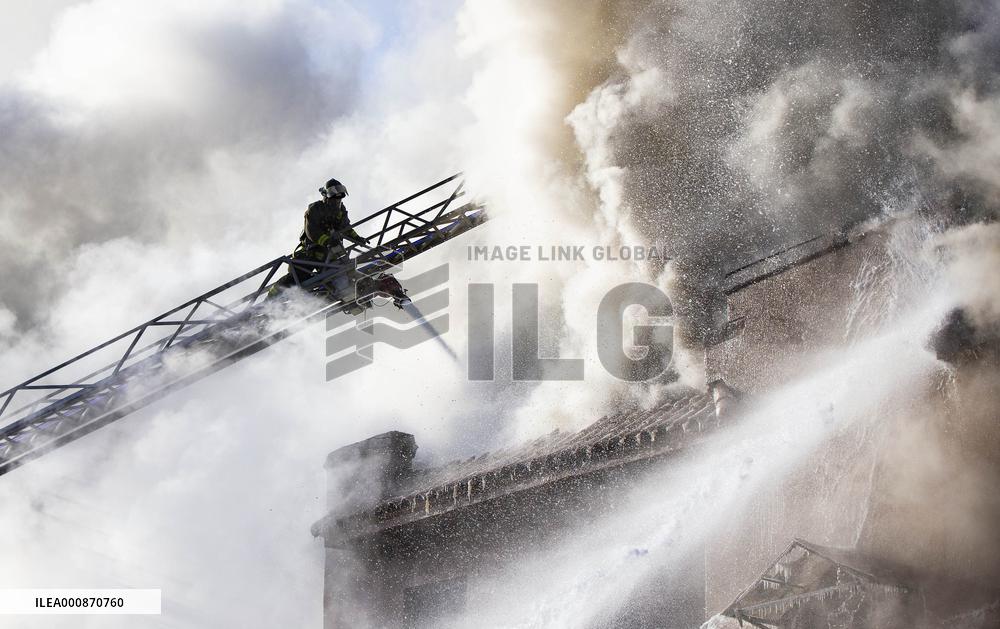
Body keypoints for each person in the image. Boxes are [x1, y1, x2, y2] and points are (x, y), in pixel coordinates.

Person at [271, 178, 367, 295]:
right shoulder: (315, 209)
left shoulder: (341, 210)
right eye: (334, 197)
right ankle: (269, 300)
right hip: (310, 252)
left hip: (329, 254)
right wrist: (327, 241)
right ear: (326, 196)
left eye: (339, 197)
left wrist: (357, 238)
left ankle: (338, 294)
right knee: (296, 278)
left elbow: (346, 227)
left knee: (340, 275)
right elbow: (312, 231)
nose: (337, 200)